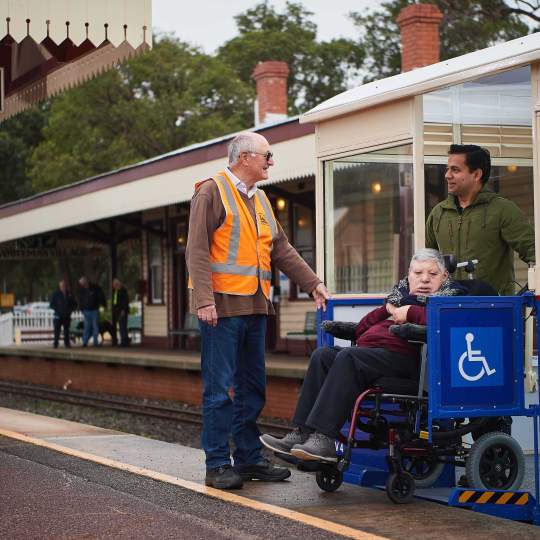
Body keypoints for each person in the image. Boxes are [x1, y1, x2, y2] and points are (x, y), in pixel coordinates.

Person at [186, 131, 329, 490]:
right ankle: (217, 463)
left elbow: (281, 249)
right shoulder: (211, 191)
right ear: (245, 157)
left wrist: (312, 282)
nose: (271, 162)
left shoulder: (263, 200)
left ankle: (248, 458)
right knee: (219, 391)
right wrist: (204, 300)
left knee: (253, 388)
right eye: (267, 156)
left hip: (254, 307)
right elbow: (197, 250)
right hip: (220, 309)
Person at [260, 249, 467, 463]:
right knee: (322, 355)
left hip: (407, 360)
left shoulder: (449, 299)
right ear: (409, 275)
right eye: (418, 273)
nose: (424, 279)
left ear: (444, 277)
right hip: (374, 355)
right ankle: (303, 432)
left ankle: (324, 439)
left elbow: (445, 324)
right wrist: (387, 309)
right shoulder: (399, 297)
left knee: (350, 357)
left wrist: (410, 313)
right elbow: (362, 329)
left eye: (432, 274)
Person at [426, 144, 535, 295]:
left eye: (455, 170)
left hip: (494, 312)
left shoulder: (503, 210)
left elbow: (535, 252)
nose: (447, 175)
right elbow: (426, 264)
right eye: (447, 169)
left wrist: (522, 297)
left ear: (476, 174)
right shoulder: (438, 213)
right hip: (448, 311)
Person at [78, 276, 106, 347]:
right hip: (86, 311)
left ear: (86, 281)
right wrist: (81, 309)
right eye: (81, 284)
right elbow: (80, 300)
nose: (82, 285)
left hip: (94, 310)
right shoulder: (82, 290)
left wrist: (103, 304)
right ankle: (85, 342)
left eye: (82, 283)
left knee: (95, 327)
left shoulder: (95, 288)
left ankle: (95, 342)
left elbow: (100, 296)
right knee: (87, 327)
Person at [49, 279, 77, 348]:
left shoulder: (69, 294)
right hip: (58, 315)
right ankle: (56, 343)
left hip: (67, 315)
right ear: (60, 286)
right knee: (57, 330)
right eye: (62, 286)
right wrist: (57, 309)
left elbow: (74, 303)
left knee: (66, 331)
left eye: (64, 286)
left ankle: (67, 343)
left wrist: (71, 310)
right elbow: (51, 304)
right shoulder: (55, 294)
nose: (63, 287)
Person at [111, 278, 130, 347]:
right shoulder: (115, 291)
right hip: (117, 311)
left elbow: (125, 301)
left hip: (122, 311)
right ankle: (125, 340)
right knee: (121, 327)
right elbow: (115, 302)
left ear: (117, 284)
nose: (113, 286)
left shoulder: (122, 291)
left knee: (123, 327)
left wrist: (123, 310)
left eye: (114, 284)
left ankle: (124, 342)